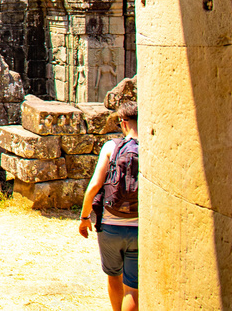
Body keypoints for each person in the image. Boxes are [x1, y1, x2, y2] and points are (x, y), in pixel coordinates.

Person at [79, 101, 140, 311]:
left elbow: (95, 185)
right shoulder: (150, 148)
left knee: (114, 278)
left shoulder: (111, 147)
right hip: (140, 227)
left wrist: (84, 217)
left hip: (111, 224)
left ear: (123, 123)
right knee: (133, 289)